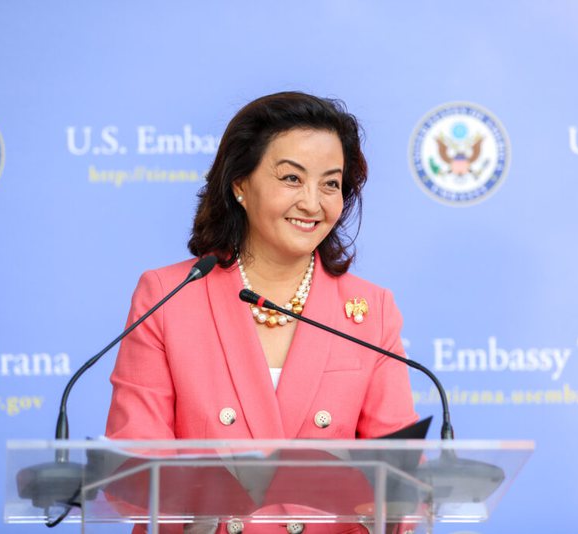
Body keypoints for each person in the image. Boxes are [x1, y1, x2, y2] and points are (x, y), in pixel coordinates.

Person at [105, 91, 418, 532]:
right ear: (240, 185)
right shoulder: (168, 296)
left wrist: (398, 507)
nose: (313, 203)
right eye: (292, 178)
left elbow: (401, 474)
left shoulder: (370, 311)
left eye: (330, 184)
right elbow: (134, 468)